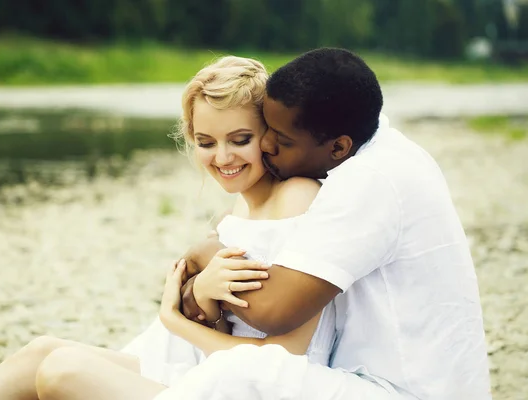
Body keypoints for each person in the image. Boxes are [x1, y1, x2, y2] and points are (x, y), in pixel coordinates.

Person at [0, 56, 338, 400]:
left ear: (270, 137)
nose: (222, 157)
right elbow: (233, 327)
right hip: (201, 368)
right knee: (41, 351)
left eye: (240, 139)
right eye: (205, 142)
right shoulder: (238, 208)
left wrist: (174, 321)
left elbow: (284, 361)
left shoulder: (297, 196)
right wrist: (203, 294)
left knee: (61, 369)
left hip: (250, 388)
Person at [155, 47, 492, 400]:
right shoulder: (380, 144)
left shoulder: (368, 181)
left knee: (239, 372)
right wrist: (200, 290)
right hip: (380, 379)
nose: (267, 145)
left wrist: (204, 255)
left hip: (404, 390)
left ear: (338, 147)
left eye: (280, 140)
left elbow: (274, 312)